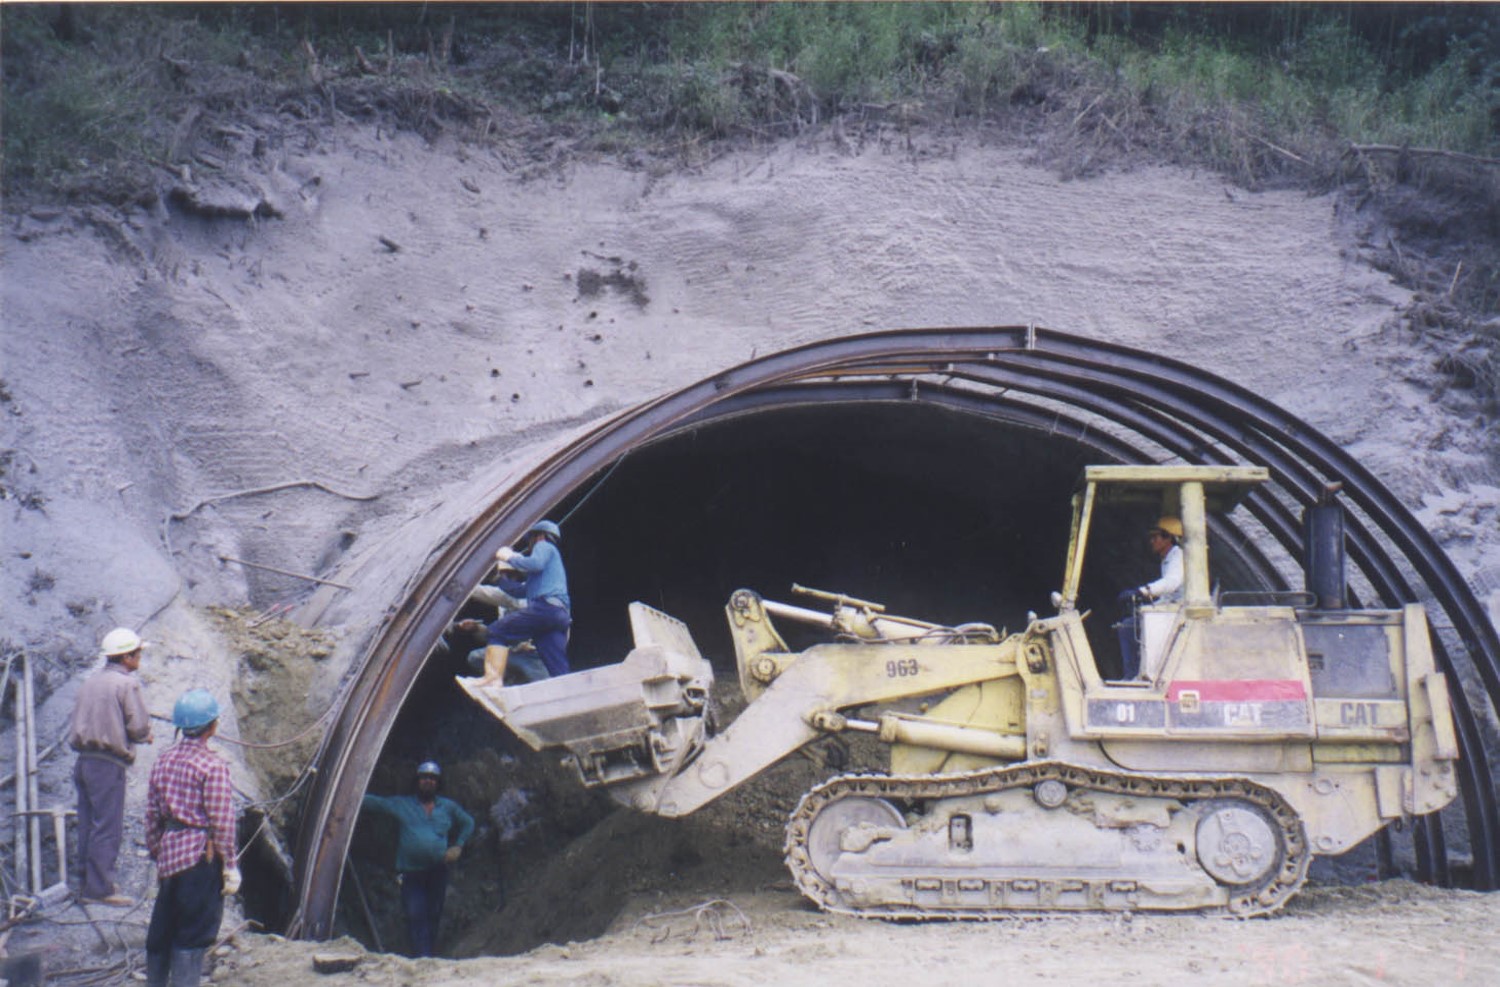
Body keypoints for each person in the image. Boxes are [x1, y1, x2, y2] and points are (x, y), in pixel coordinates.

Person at [144, 688, 239, 987]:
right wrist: (230, 865)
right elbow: (222, 821)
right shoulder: (213, 766)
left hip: (170, 857)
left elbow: (152, 814)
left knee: (163, 931)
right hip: (201, 858)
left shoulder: (164, 760)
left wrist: (157, 850)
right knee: (193, 935)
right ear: (212, 726)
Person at [68, 627, 154, 906]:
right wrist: (144, 736)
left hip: (84, 761)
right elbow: (138, 726)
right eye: (138, 653)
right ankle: (101, 889)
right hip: (108, 764)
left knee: (88, 822)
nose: (140, 657)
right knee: (107, 825)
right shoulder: (126, 684)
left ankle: (85, 883)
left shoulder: (90, 682)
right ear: (127, 657)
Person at [360, 761, 475, 957]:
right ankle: (423, 957)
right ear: (417, 781)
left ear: (438, 783)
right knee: (415, 913)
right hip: (411, 873)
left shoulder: (447, 807)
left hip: (438, 870)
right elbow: (377, 803)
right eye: (424, 777)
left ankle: (428, 955)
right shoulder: (403, 804)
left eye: (432, 778)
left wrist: (458, 845)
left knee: (434, 913)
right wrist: (350, 797)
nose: (428, 781)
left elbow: (468, 822)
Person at [469, 519, 571, 685]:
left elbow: (535, 563)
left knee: (497, 631)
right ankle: (569, 690)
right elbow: (519, 592)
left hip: (546, 608)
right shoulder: (544, 575)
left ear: (539, 536)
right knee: (555, 662)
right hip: (558, 615)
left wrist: (509, 557)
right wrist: (500, 580)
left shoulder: (543, 545)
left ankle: (492, 679)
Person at [1113, 517, 1185, 679]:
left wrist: (1142, 592)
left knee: (1127, 627)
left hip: (1178, 613)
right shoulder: (1168, 559)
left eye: (1155, 537)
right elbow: (1168, 595)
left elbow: (1171, 583)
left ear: (1168, 538)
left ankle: (1133, 675)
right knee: (1132, 623)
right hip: (1172, 609)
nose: (1151, 541)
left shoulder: (1178, 557)